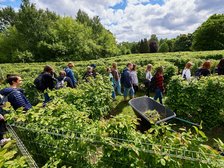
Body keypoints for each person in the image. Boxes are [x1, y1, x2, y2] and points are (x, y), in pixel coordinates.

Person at [0, 74, 32, 145]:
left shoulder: (6, 91)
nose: (21, 81)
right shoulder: (15, 92)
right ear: (14, 82)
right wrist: (31, 111)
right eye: (20, 80)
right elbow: (21, 105)